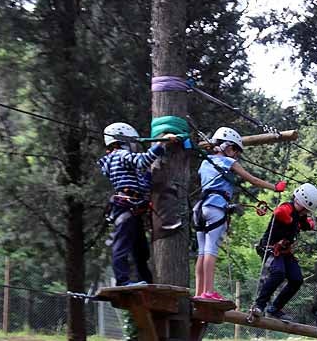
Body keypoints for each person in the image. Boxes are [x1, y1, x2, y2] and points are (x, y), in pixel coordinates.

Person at [192, 127, 286, 300]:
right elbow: (253, 180)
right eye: (235, 149)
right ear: (227, 146)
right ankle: (208, 292)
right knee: (211, 250)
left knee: (202, 251)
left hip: (199, 208)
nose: (236, 154)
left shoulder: (205, 163)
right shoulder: (228, 163)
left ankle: (199, 293)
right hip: (215, 207)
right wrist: (275, 187)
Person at [97, 122, 178, 286]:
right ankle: (122, 280)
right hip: (126, 206)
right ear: (123, 140)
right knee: (123, 245)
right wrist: (161, 143)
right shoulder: (119, 155)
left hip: (133, 208)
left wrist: (151, 175)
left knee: (140, 250)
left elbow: (142, 184)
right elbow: (142, 161)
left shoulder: (118, 161)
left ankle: (147, 281)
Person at [251, 183, 317, 320]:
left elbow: (305, 224)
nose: (305, 213)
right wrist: (287, 218)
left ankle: (275, 308)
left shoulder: (300, 216)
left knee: (296, 279)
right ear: (300, 202)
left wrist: (311, 224)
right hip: (271, 249)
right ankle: (259, 305)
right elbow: (278, 212)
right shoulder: (287, 208)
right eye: (305, 209)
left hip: (284, 252)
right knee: (278, 273)